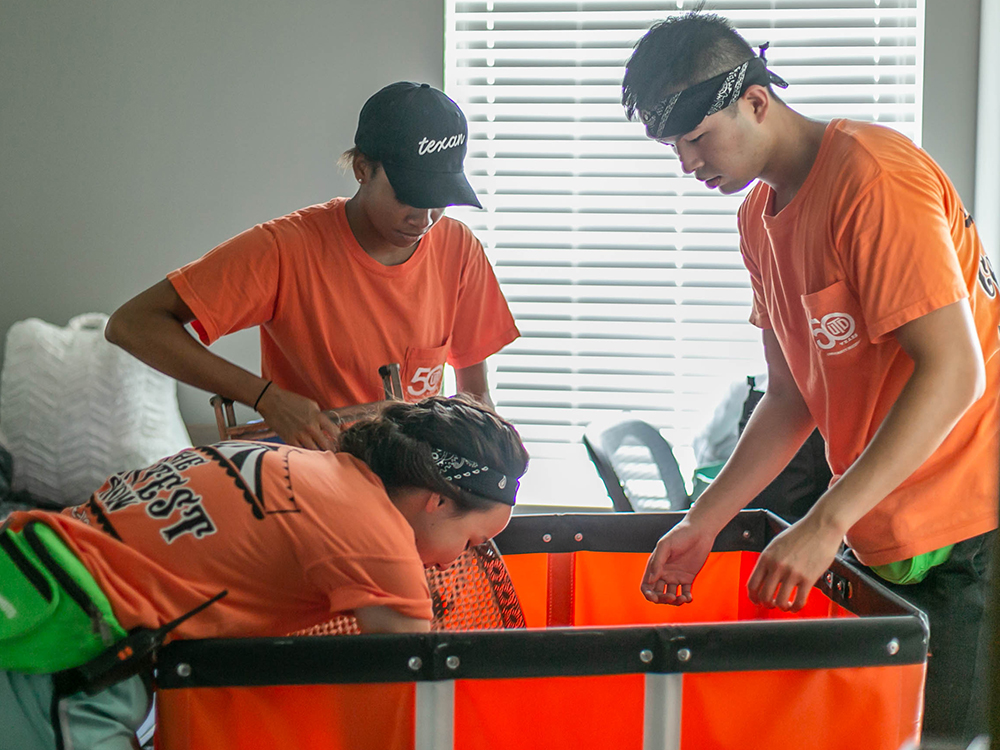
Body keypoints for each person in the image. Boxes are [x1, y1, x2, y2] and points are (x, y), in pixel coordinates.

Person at [622, 12, 999, 742]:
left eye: (698, 140)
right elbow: (791, 397)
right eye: (674, 147)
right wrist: (705, 521)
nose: (688, 165)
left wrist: (825, 520)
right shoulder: (759, 216)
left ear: (756, 101)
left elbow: (956, 372)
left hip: (969, 526)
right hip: (884, 520)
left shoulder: (873, 179)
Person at [0, 395, 528, 750]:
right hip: (59, 649)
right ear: (437, 500)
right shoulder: (378, 539)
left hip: (23, 570)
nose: (458, 559)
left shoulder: (293, 463)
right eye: (472, 541)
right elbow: (410, 692)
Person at [105, 81, 519, 450]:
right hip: (312, 488)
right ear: (363, 170)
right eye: (409, 195)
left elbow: (475, 399)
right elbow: (132, 324)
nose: (425, 218)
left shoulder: (459, 250)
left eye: (440, 199)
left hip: (413, 492)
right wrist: (266, 397)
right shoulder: (286, 250)